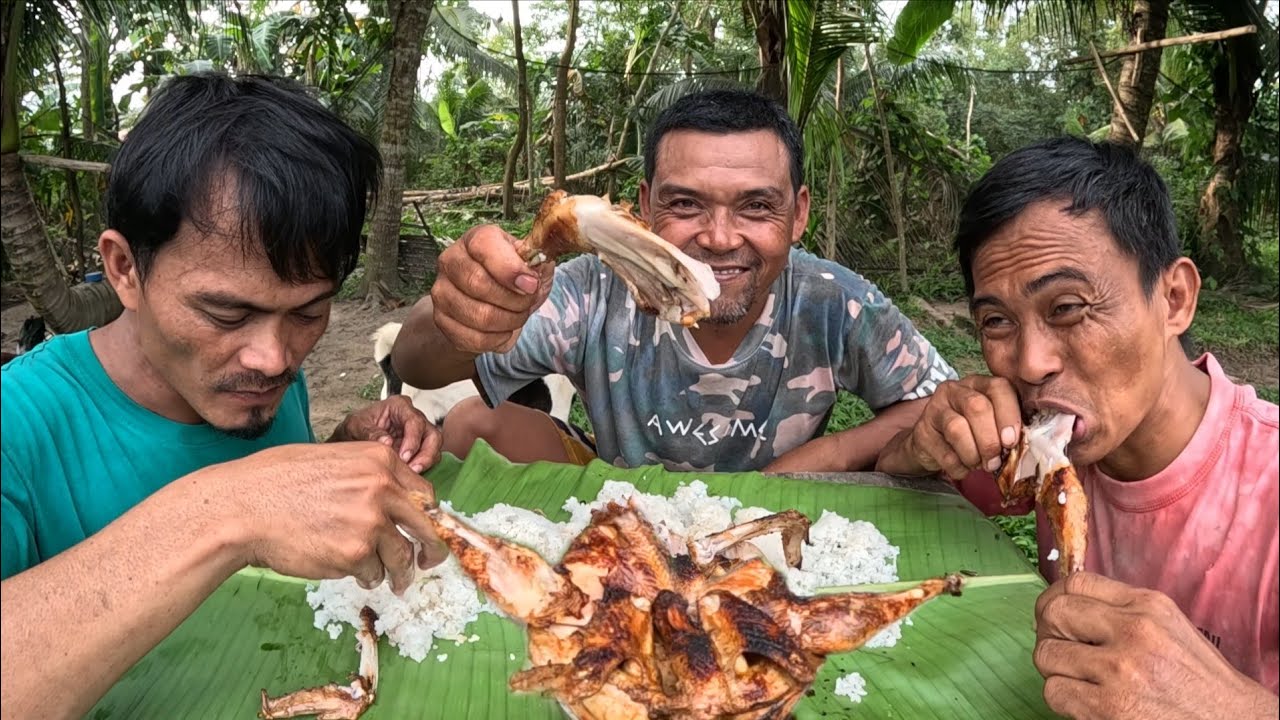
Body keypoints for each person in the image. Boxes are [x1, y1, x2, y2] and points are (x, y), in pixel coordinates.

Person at [0, 73, 448, 719]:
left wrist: (338, 452)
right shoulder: (17, 425)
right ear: (124, 269)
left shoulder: (263, 384)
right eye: (225, 313)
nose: (275, 359)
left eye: (308, 312)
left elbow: (279, 509)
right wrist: (230, 513)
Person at [876, 137, 1278, 717]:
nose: (1030, 363)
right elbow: (897, 483)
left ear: (1174, 299)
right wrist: (920, 445)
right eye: (997, 321)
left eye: (1067, 308)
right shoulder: (1038, 454)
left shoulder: (1268, 491)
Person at [391, 88, 956, 473]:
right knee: (473, 421)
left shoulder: (834, 300)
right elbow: (416, 364)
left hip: (775, 519)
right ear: (645, 206)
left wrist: (816, 461)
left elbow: (942, 406)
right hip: (623, 509)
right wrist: (458, 315)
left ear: (799, 213)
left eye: (757, 206)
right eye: (685, 203)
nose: (719, 238)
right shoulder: (590, 289)